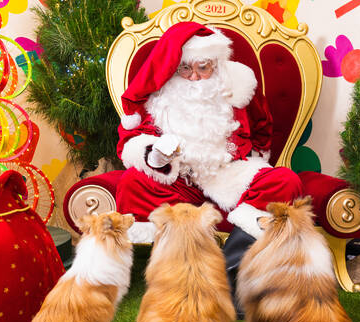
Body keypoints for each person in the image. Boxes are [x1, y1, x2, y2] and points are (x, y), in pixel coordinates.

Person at [113, 22, 303, 300]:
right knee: (133, 182)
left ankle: (229, 276)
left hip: (228, 173)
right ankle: (179, 273)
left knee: (285, 182)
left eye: (203, 68)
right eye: (185, 69)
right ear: (173, 68)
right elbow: (133, 138)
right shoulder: (158, 96)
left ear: (216, 64)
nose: (194, 77)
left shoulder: (236, 88)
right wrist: (155, 155)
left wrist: (256, 158)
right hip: (178, 178)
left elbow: (263, 126)